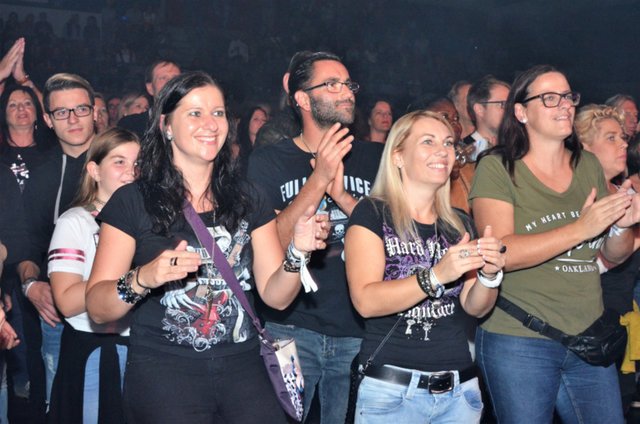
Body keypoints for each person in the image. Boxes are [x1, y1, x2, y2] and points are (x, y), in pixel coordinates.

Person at [85, 71, 328, 423]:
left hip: (244, 367)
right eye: (195, 113)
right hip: (165, 372)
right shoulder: (132, 201)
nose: (210, 124)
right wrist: (144, 278)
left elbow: (275, 297)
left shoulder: (249, 197)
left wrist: (297, 254)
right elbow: (98, 307)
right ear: (167, 125)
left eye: (217, 113)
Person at [470, 65, 638, 423]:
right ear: (521, 111)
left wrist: (621, 228)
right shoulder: (498, 167)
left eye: (567, 96)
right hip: (520, 340)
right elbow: (500, 251)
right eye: (549, 98)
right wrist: (581, 227)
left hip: (587, 339)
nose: (564, 105)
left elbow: (610, 256)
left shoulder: (588, 165)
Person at [248, 50, 383, 423]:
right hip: (290, 329)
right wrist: (319, 178)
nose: (347, 92)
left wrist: (341, 194)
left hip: (360, 330)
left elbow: (393, 236)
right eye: (332, 84)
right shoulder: (268, 162)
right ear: (302, 99)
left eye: (348, 84)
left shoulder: (376, 158)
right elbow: (269, 242)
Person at [345, 109, 505, 423]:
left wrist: (489, 276)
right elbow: (365, 301)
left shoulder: (460, 223)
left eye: (447, 143)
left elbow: (475, 307)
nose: (442, 151)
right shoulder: (372, 213)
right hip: (391, 392)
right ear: (398, 157)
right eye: (428, 142)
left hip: (459, 391)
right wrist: (435, 276)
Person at [17, 73, 98, 420]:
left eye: (81, 108)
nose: (74, 119)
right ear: (48, 120)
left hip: (129, 309)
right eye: (62, 112)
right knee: (61, 404)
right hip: (60, 317)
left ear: (95, 112)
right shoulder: (41, 174)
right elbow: (24, 242)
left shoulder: (126, 162)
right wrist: (30, 284)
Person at [47, 128, 139, 423]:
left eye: (138, 164)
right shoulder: (75, 222)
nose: (131, 172)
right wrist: (134, 277)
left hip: (140, 350)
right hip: (93, 352)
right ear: (94, 170)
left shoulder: (148, 221)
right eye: (119, 162)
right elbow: (66, 301)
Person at [575, 104, 640, 414]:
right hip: (580, 327)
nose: (624, 143)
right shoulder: (573, 195)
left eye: (623, 137)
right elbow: (574, 265)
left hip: (615, 322)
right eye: (612, 137)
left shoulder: (622, 193)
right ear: (584, 147)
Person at [0, 84, 54, 191]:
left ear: (37, 111)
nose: (21, 108)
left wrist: (24, 79)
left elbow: (54, 109)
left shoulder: (53, 153)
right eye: (12, 105)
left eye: (27, 103)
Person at [464, 76, 510, 161]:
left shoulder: (516, 147)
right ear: (479, 109)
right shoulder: (464, 152)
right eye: (502, 104)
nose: (509, 110)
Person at [234, 105, 269, 174]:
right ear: (247, 122)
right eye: (256, 119)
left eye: (264, 120)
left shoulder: (269, 149)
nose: (261, 123)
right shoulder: (237, 149)